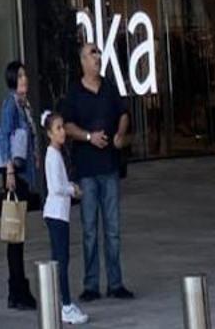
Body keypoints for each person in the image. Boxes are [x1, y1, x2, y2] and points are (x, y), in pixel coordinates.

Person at [62, 39, 132, 302]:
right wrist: (89, 137)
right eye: (92, 54)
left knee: (112, 228)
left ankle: (116, 282)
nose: (98, 58)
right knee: (89, 229)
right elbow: (67, 126)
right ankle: (91, 283)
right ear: (82, 62)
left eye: (99, 53)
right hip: (88, 169)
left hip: (110, 167)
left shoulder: (109, 88)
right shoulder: (74, 93)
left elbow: (123, 112)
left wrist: (120, 134)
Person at [0, 60, 40, 311]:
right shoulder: (11, 104)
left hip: (24, 176)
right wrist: (10, 169)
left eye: (25, 75)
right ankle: (16, 289)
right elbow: (4, 135)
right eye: (20, 75)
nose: (24, 79)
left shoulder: (25, 105)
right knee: (14, 235)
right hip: (16, 177)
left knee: (18, 235)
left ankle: (18, 288)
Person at [42, 108, 89, 325]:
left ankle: (61, 302)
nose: (62, 132)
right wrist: (72, 189)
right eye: (58, 128)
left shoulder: (55, 154)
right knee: (61, 259)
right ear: (50, 133)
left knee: (61, 258)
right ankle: (65, 304)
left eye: (62, 127)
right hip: (57, 213)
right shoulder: (52, 156)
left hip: (59, 213)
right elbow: (56, 187)